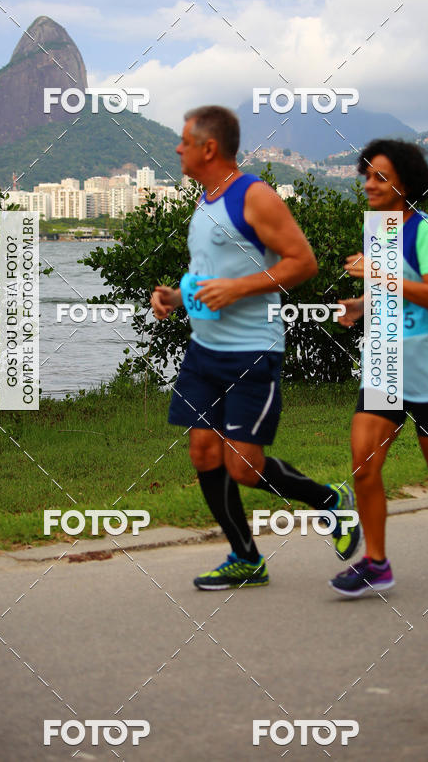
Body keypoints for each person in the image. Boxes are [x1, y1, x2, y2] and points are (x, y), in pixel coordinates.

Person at [151, 105, 361, 590]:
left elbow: (302, 262)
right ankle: (245, 558)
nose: (178, 148)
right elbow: (211, 276)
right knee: (204, 452)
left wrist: (238, 289)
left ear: (209, 148)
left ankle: (330, 501)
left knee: (244, 465)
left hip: (251, 351)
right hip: (204, 351)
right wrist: (176, 298)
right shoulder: (205, 201)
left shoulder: (254, 196)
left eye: (185, 141)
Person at [330, 138, 428, 597]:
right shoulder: (378, 230)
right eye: (366, 176)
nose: (369, 184)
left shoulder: (426, 231)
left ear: (405, 184)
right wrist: (359, 305)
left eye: (380, 177)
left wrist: (378, 276)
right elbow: (392, 292)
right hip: (385, 366)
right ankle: (376, 563)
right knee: (364, 465)